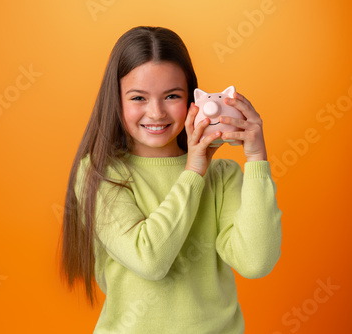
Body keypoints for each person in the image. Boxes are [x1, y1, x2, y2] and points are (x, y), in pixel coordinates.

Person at [61, 26, 282, 333]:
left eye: (172, 96)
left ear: (193, 99)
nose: (156, 112)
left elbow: (256, 263)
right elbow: (149, 259)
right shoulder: (100, 173)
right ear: (116, 100)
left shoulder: (222, 175)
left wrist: (257, 159)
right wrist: (193, 171)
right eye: (138, 97)